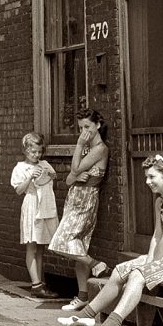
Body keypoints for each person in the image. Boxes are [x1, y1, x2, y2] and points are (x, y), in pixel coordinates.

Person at [58, 155, 163, 326]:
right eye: (147, 177)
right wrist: (149, 259)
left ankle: (114, 324)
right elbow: (157, 236)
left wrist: (150, 268)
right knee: (120, 270)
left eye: (152, 177)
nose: (148, 182)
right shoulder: (161, 201)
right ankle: (87, 316)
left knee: (138, 275)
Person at [49, 108, 110, 311]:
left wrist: (78, 145)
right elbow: (68, 179)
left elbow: (74, 170)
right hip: (74, 197)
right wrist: (75, 176)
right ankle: (83, 295)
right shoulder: (85, 149)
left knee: (61, 242)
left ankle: (96, 265)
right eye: (80, 128)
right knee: (78, 247)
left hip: (86, 199)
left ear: (97, 125)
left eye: (87, 127)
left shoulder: (99, 149)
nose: (84, 132)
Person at [11, 133, 59, 299]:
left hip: (44, 206)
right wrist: (31, 177)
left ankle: (39, 283)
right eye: (33, 152)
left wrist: (50, 174)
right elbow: (18, 190)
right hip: (31, 205)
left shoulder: (44, 163)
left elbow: (53, 178)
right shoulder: (20, 168)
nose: (37, 155)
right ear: (25, 151)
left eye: (39, 152)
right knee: (31, 244)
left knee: (40, 246)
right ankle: (35, 284)